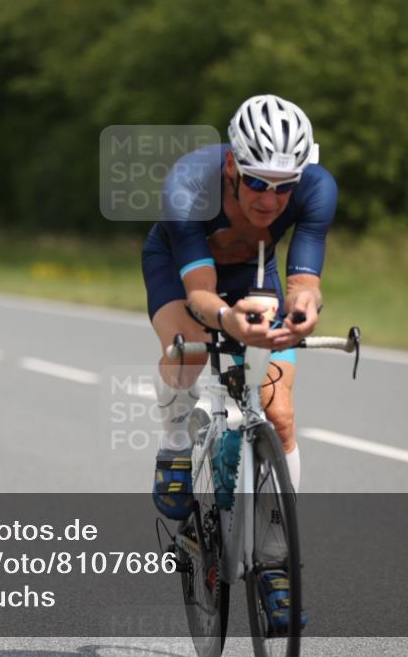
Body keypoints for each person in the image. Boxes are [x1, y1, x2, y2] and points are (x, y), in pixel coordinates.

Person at [142, 93, 336, 631]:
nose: (270, 200)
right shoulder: (189, 184)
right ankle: (175, 445)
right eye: (255, 183)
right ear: (231, 163)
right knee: (186, 351)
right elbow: (202, 296)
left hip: (255, 271)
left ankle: (276, 559)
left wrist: (304, 308)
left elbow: (305, 281)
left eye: (283, 187)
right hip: (184, 270)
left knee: (278, 410)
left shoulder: (317, 188)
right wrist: (227, 322)